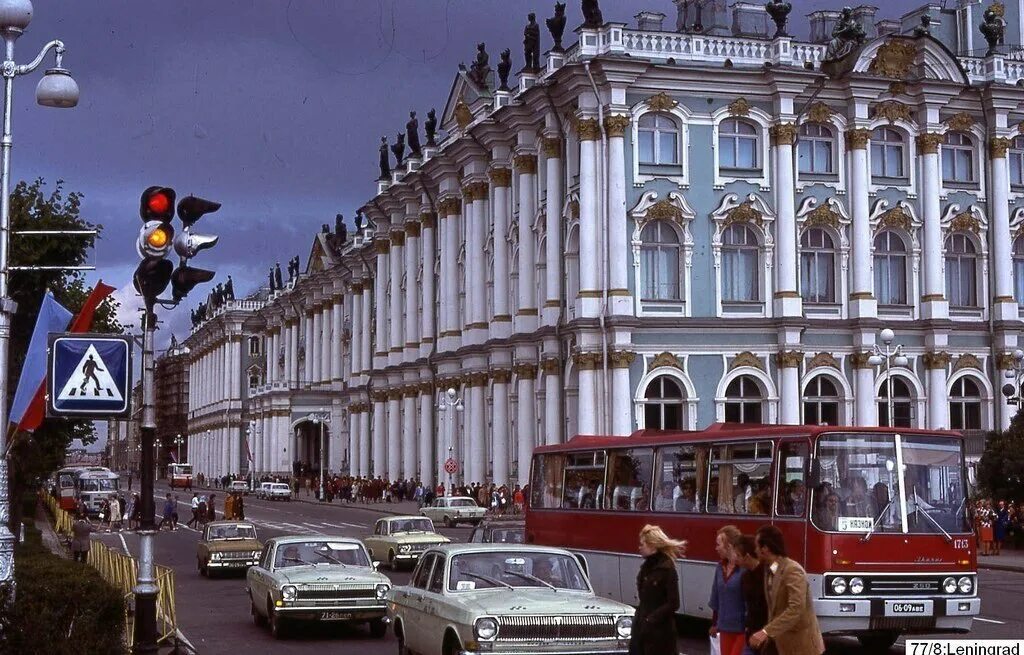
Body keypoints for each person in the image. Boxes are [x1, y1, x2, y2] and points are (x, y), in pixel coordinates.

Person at [749, 526, 824, 655]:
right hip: (779, 643)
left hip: (801, 646)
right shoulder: (768, 570)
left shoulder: (793, 571)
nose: (755, 551)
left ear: (765, 548)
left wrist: (765, 632)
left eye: (757, 546)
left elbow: (796, 608)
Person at [630, 525, 686, 655]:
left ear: (653, 546)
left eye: (642, 544)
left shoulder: (667, 569)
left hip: (660, 633)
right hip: (641, 628)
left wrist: (652, 618)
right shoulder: (645, 568)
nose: (639, 547)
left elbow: (673, 603)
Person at [709, 526, 745, 655]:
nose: (716, 548)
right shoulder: (720, 567)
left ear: (729, 545)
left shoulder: (744, 569)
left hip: (741, 629)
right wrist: (714, 623)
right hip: (724, 628)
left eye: (719, 544)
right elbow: (716, 597)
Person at [734, 535, 772, 655]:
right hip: (751, 634)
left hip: (766, 636)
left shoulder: (766, 575)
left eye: (738, 556)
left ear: (747, 557)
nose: (735, 559)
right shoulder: (745, 577)